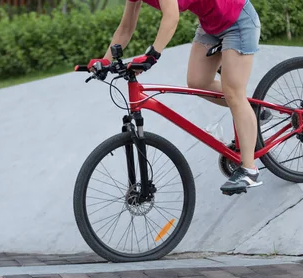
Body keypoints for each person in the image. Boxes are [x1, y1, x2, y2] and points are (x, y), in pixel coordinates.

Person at [87, 0, 263, 193]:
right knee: (197, 81)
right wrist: (105, 60)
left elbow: (171, 17)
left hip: (238, 20)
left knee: (233, 93)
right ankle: (250, 111)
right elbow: (126, 27)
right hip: (210, 26)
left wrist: (152, 55)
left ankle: (249, 170)